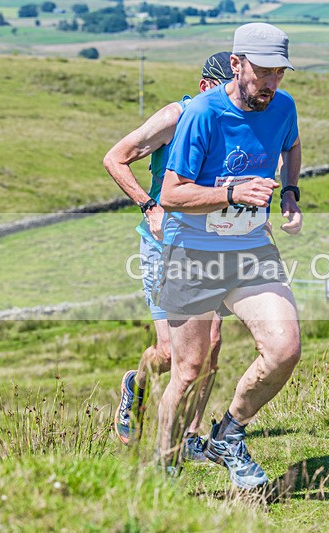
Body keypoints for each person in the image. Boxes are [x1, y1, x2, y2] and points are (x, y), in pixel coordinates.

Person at [156, 22, 302, 489]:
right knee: (190, 371)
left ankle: (229, 433)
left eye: (279, 73)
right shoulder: (202, 113)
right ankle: (163, 468)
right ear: (236, 65)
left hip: (252, 248)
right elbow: (172, 194)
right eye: (263, 72)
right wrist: (234, 190)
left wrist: (291, 194)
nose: (271, 83)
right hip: (193, 252)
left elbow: (291, 144)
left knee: (284, 349)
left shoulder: (283, 106)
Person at [103, 53, 233, 457]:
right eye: (226, 90)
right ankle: (136, 385)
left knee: (211, 342)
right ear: (205, 86)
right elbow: (115, 158)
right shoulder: (174, 118)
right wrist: (149, 205)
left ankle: (191, 437)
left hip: (211, 245)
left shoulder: (234, 123)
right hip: (163, 244)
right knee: (170, 354)